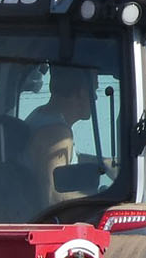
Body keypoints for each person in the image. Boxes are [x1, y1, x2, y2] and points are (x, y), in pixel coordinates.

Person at [25, 65, 97, 209]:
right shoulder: (58, 135)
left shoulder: (40, 115)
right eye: (94, 90)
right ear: (81, 94)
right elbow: (54, 197)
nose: (95, 97)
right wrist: (104, 196)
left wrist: (103, 164)